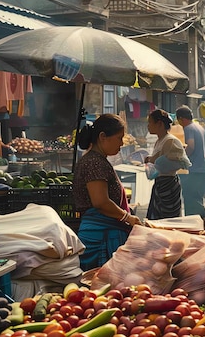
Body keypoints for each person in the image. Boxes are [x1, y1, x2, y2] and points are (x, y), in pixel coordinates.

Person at [73, 114, 142, 271]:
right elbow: (101, 202)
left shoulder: (96, 160)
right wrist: (128, 217)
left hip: (101, 231)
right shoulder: (94, 163)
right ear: (103, 137)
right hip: (100, 236)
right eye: (119, 138)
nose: (121, 143)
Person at [176, 105, 205, 231]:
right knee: (197, 198)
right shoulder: (201, 128)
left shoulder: (188, 128)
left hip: (193, 170)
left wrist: (182, 158)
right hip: (204, 169)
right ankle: (196, 228)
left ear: (181, 119)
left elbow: (191, 146)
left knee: (190, 198)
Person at [145, 109, 191, 220]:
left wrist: (154, 160)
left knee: (168, 220)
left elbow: (180, 163)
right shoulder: (159, 141)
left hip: (168, 185)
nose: (148, 126)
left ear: (159, 123)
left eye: (150, 122)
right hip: (159, 184)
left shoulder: (170, 141)